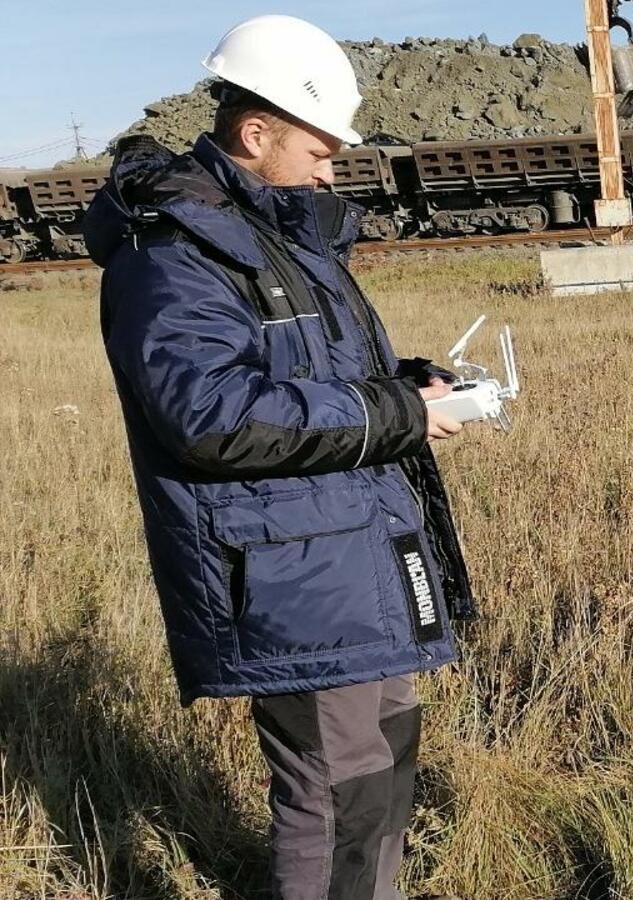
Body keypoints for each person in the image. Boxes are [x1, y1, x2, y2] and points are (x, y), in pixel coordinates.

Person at [85, 15, 472, 900]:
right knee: (334, 793)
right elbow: (210, 416)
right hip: (292, 572)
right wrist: (393, 412)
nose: (331, 172)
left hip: (353, 548)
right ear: (255, 134)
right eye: (320, 151)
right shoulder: (174, 254)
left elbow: (310, 375)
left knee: (380, 767)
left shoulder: (280, 235)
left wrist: (410, 385)